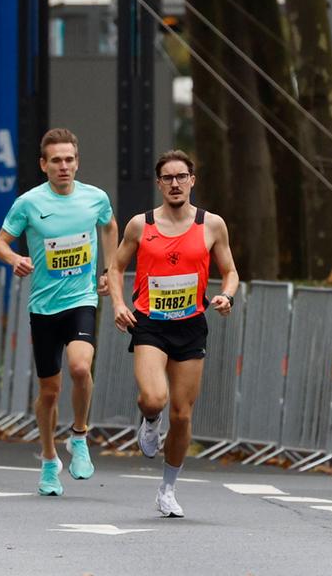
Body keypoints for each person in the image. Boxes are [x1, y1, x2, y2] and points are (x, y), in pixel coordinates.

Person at [106, 149, 238, 518]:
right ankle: (149, 420)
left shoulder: (212, 225)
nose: (176, 184)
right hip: (150, 323)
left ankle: (167, 489)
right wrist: (118, 304)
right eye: (168, 178)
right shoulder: (139, 225)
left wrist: (226, 296)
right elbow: (115, 268)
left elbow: (230, 271)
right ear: (159, 183)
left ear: (192, 180)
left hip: (191, 325)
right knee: (154, 398)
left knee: (182, 415)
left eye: (182, 177)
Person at [0, 128, 116, 496]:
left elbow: (110, 226)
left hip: (81, 299)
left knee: (80, 366)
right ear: (43, 164)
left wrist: (109, 269)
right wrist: (15, 258)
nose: (64, 167)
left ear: (77, 162)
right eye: (56, 161)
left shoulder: (95, 198)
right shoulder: (29, 203)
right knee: (49, 390)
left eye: (69, 160)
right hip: (44, 306)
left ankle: (79, 436)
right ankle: (48, 459)